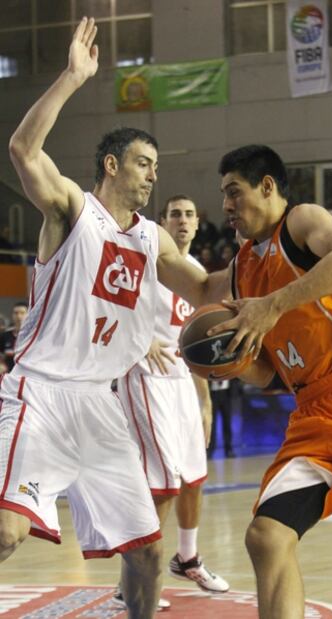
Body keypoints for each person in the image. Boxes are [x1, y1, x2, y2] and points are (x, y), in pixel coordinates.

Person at [1, 18, 233, 619]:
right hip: (41, 394)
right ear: (111, 165)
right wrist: (73, 78)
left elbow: (207, 285)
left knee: (148, 555)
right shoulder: (73, 210)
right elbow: (24, 151)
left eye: (156, 165)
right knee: (7, 532)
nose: (153, 173)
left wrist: (278, 266)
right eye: (142, 162)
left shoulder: (153, 237)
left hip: (100, 404)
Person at [204, 144, 332, 619]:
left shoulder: (300, 221)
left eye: (234, 192)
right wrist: (233, 363)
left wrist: (272, 304)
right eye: (222, 196)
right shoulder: (242, 268)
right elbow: (274, 376)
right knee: (266, 535)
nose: (226, 207)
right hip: (312, 415)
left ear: (267, 186)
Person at [113, 194, 229, 610]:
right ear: (161, 223)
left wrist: (205, 402)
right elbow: (112, 307)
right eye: (175, 214)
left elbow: (197, 347)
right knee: (161, 483)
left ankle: (188, 557)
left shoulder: (196, 272)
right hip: (146, 379)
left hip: (183, 383)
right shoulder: (146, 263)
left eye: (189, 214)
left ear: (198, 224)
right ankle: (134, 574)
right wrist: (140, 341)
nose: (182, 221)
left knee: (193, 476)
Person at [207, 378, 235, 458]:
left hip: (226, 393)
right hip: (212, 393)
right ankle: (210, 449)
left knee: (227, 422)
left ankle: (229, 448)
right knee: (212, 423)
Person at [0, 301, 28, 372]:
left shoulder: (34, 336)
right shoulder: (4, 335)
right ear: (12, 315)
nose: (19, 316)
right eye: (16, 313)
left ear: (28, 314)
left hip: (26, 376)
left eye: (22, 313)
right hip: (8, 376)